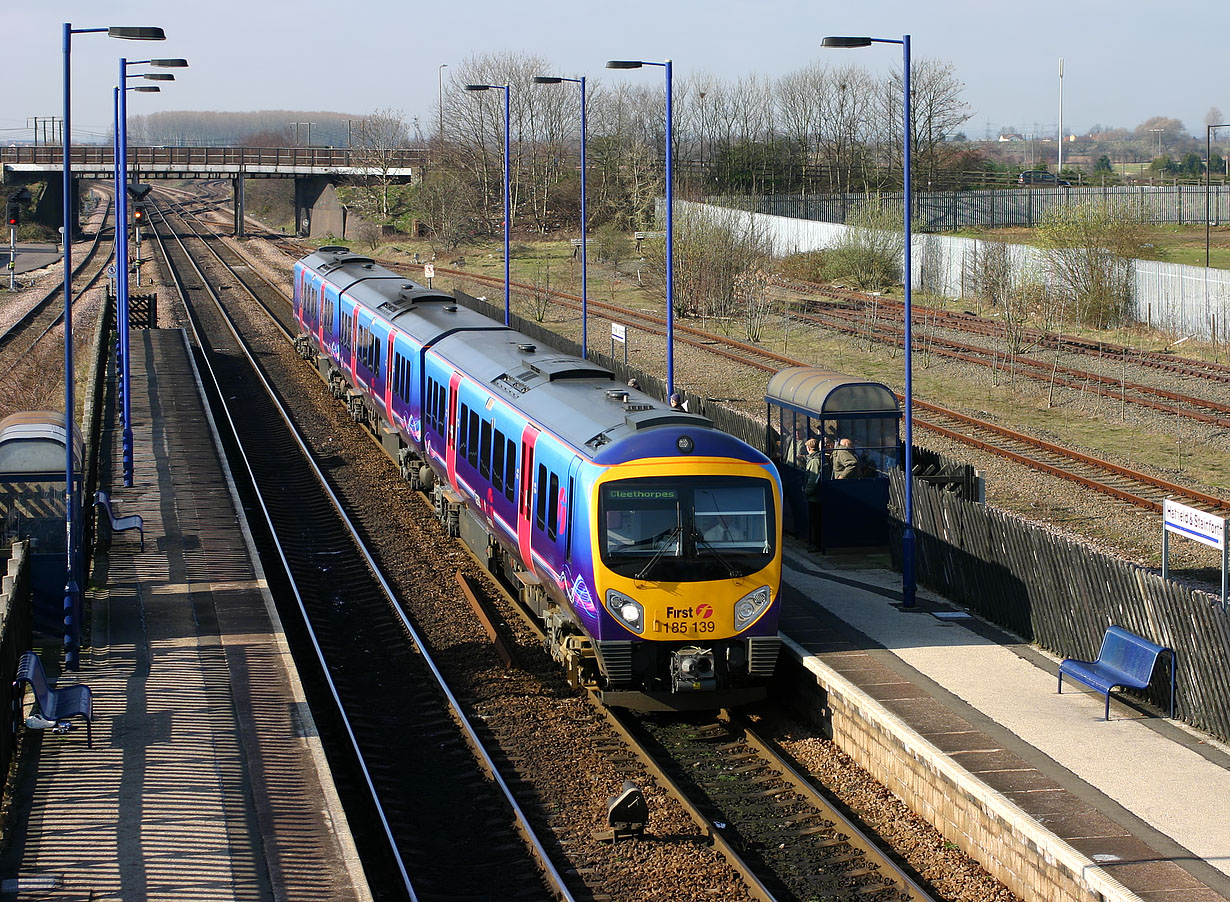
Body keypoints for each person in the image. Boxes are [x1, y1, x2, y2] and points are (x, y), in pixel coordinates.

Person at [803, 437, 824, 552]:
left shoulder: (814, 461)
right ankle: (816, 543)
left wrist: (806, 491)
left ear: (809, 448)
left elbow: (813, 479)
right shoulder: (817, 458)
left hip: (815, 497)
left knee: (816, 521)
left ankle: (817, 544)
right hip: (816, 496)